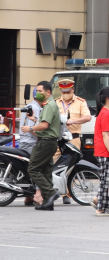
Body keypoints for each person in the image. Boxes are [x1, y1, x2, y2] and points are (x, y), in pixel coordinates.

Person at [22, 81, 61, 211]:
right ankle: (48, 203)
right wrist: (34, 119)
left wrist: (30, 127)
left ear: (48, 92)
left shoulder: (49, 105)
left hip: (45, 142)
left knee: (33, 168)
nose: (37, 94)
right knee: (46, 171)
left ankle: (50, 193)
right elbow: (44, 122)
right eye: (37, 91)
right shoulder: (48, 105)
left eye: (40, 91)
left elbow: (44, 126)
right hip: (49, 141)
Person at [55, 78, 92, 204]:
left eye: (67, 91)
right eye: (63, 91)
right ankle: (56, 191)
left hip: (73, 138)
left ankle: (67, 194)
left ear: (72, 89)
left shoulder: (80, 102)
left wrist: (73, 121)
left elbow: (87, 117)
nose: (65, 94)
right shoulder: (55, 103)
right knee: (55, 164)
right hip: (58, 139)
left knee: (70, 166)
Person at [93, 87, 109, 216]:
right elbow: (105, 135)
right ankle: (101, 208)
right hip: (104, 151)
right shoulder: (106, 113)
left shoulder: (103, 112)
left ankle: (104, 207)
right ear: (108, 98)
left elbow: (106, 133)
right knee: (105, 180)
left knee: (106, 179)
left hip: (102, 150)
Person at [17, 96, 42, 205]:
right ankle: (38, 194)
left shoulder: (29, 106)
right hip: (31, 142)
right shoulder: (35, 108)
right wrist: (41, 136)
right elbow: (31, 129)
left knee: (26, 168)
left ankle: (28, 196)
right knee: (39, 166)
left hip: (23, 141)